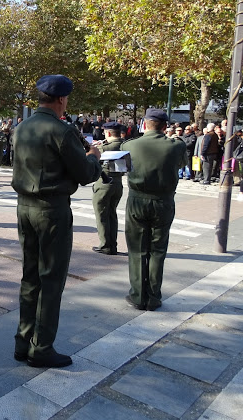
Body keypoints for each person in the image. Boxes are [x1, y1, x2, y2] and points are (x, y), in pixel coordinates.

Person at [12, 74, 101, 369]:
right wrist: (94, 156)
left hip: (24, 206)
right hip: (51, 210)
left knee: (30, 276)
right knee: (51, 280)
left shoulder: (21, 127)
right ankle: (42, 348)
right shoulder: (60, 131)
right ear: (61, 100)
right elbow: (86, 174)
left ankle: (23, 342)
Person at [121, 108, 187, 312]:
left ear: (144, 124)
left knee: (137, 249)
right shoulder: (176, 145)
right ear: (165, 126)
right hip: (163, 201)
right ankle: (153, 296)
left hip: (137, 200)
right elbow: (181, 164)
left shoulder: (130, 144)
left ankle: (138, 295)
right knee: (158, 250)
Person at [91, 122, 125, 255]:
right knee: (112, 214)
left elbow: (91, 157)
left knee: (102, 215)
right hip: (118, 183)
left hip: (104, 184)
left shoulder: (105, 147)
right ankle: (112, 244)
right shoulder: (124, 144)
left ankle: (105, 245)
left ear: (109, 133)